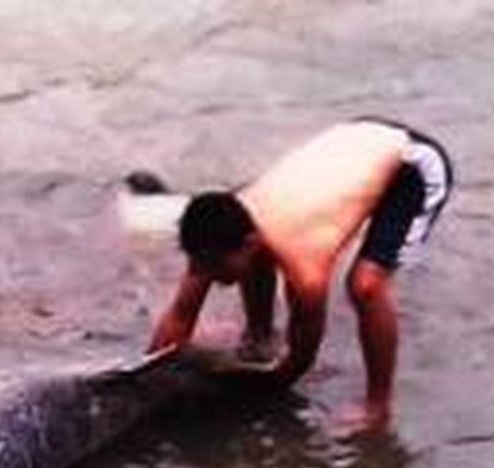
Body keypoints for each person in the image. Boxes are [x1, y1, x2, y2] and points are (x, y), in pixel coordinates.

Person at [147, 117, 453, 430]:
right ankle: (259, 336)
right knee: (256, 263)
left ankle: (378, 407)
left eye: (216, 266)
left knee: (366, 285)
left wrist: (250, 390)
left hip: (411, 163)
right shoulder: (222, 227)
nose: (209, 274)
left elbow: (298, 362)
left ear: (246, 243)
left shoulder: (307, 273)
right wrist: (147, 377)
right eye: (202, 265)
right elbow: (181, 316)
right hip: (353, 143)